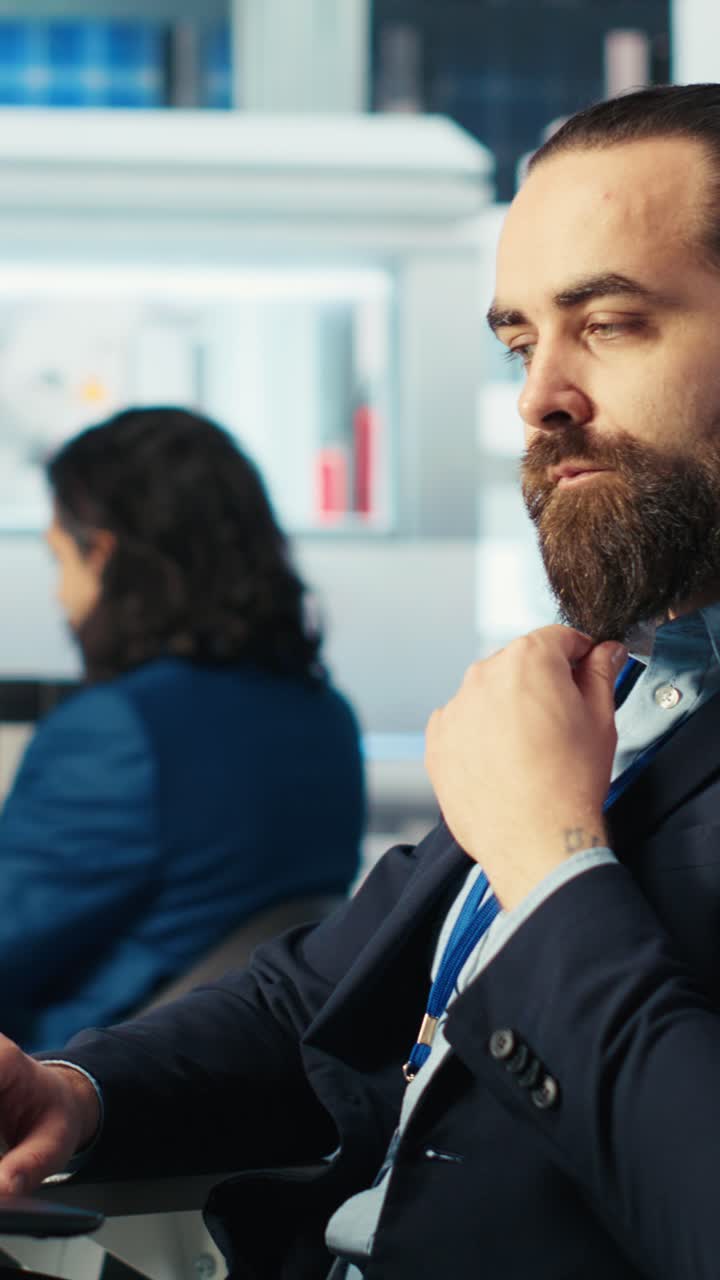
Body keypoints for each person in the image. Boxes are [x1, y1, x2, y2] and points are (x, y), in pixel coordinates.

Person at [0, 81, 719, 1279]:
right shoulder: (620, 689)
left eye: (609, 321)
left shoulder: (555, 758)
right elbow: (312, 998)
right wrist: (73, 1089)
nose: (541, 395)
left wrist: (548, 859)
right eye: (520, 340)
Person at [0, 406, 364, 1052]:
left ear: (104, 554)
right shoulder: (326, 721)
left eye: (60, 560)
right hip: (248, 1095)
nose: (59, 596)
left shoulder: (118, 732)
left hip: (79, 1099)